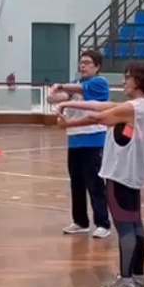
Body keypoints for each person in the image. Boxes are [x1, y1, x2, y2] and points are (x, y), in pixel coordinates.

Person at [56, 62, 144, 287]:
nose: (124, 81)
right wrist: (68, 103)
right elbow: (102, 105)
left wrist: (68, 123)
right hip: (132, 174)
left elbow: (100, 116)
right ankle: (138, 276)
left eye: (128, 78)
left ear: (139, 82)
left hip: (120, 174)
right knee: (135, 224)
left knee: (125, 226)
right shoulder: (143, 106)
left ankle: (125, 279)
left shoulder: (133, 108)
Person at [49, 50, 112, 239]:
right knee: (76, 183)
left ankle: (103, 223)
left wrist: (61, 86)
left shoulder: (99, 83)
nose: (82, 66)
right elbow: (54, 98)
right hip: (74, 141)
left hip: (94, 140)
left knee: (95, 184)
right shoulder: (75, 85)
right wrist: (54, 95)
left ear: (97, 67)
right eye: (81, 62)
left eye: (87, 62)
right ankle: (80, 221)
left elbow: (77, 91)